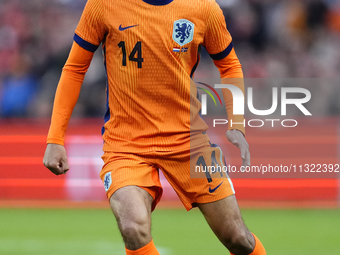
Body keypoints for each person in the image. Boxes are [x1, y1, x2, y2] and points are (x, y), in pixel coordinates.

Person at [43, 0, 266, 254]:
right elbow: (74, 68)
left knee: (238, 238)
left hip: (189, 141)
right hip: (126, 144)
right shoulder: (104, 4)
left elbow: (229, 64)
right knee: (133, 227)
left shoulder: (203, 8)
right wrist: (55, 138)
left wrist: (236, 122)